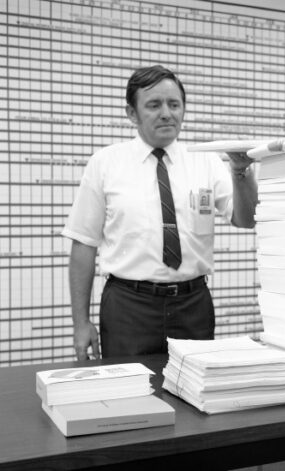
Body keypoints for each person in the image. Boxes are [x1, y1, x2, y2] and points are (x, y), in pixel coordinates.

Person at [62, 65, 257, 361]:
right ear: (132, 114)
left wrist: (241, 172)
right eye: (154, 105)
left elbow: (246, 219)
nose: (166, 113)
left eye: (174, 104)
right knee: (129, 401)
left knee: (192, 400)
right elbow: (83, 244)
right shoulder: (105, 164)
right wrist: (80, 323)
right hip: (128, 307)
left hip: (193, 305)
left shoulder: (206, 161)